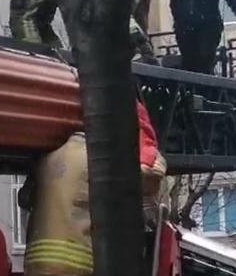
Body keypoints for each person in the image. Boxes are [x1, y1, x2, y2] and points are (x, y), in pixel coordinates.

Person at [19, 100, 167, 276]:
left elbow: (24, 198)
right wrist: (150, 152)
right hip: (77, 263)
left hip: (35, 262)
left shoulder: (47, 157)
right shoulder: (101, 159)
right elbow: (149, 174)